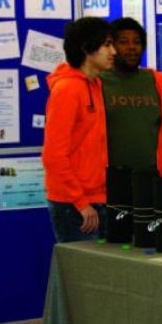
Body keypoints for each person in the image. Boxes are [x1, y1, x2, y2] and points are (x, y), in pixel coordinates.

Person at [42, 17, 115, 243]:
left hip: (96, 198)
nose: (113, 51)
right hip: (74, 204)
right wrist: (81, 202)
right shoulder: (67, 90)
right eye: (107, 44)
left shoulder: (95, 84)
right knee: (81, 277)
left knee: (98, 275)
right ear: (87, 48)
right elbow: (53, 156)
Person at [102, 17, 162, 177]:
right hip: (110, 180)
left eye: (137, 42)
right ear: (111, 46)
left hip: (152, 178)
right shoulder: (98, 82)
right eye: (123, 42)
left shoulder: (156, 81)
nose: (132, 47)